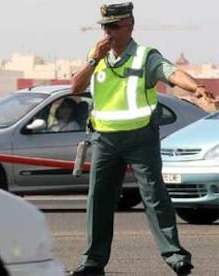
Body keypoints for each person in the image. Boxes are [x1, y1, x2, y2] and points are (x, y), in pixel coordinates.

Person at [69, 2, 217, 276]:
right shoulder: (96, 56)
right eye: (105, 27)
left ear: (130, 27)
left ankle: (175, 257)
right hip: (105, 140)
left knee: (154, 196)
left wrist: (196, 87)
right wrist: (93, 59)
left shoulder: (144, 56)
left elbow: (171, 73)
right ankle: (93, 261)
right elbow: (75, 87)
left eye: (114, 27)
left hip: (140, 139)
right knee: (98, 200)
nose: (108, 33)